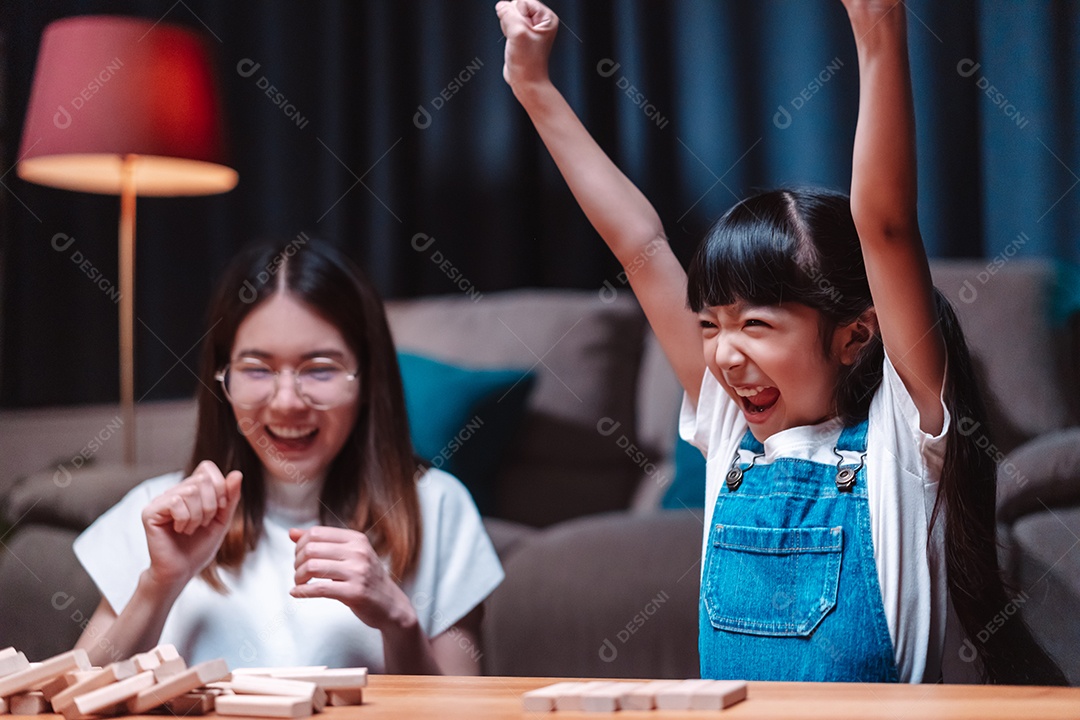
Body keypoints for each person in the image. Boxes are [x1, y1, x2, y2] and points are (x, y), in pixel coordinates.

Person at [496, 0, 1065, 684]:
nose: (723, 355)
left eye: (756, 325)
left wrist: (879, 29)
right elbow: (636, 242)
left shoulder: (902, 437)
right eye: (711, 324)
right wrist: (534, 87)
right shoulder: (729, 430)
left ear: (856, 335)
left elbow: (884, 225)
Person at [73, 238, 503, 674]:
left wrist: (399, 621)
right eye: (257, 369)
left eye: (320, 369)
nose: (287, 403)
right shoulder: (156, 511)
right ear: (223, 379)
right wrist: (158, 585)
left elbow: (461, 704)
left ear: (368, 379)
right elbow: (73, 698)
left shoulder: (438, 506)